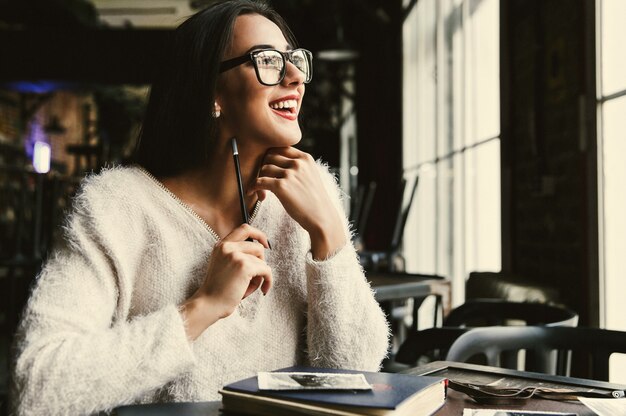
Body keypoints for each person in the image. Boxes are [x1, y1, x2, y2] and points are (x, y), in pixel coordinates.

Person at [10, 1, 389, 414]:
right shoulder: (115, 208)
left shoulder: (311, 199)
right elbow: (37, 387)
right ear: (212, 91)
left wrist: (329, 234)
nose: (296, 77)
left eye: (295, 61)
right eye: (267, 61)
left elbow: (355, 376)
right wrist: (201, 308)